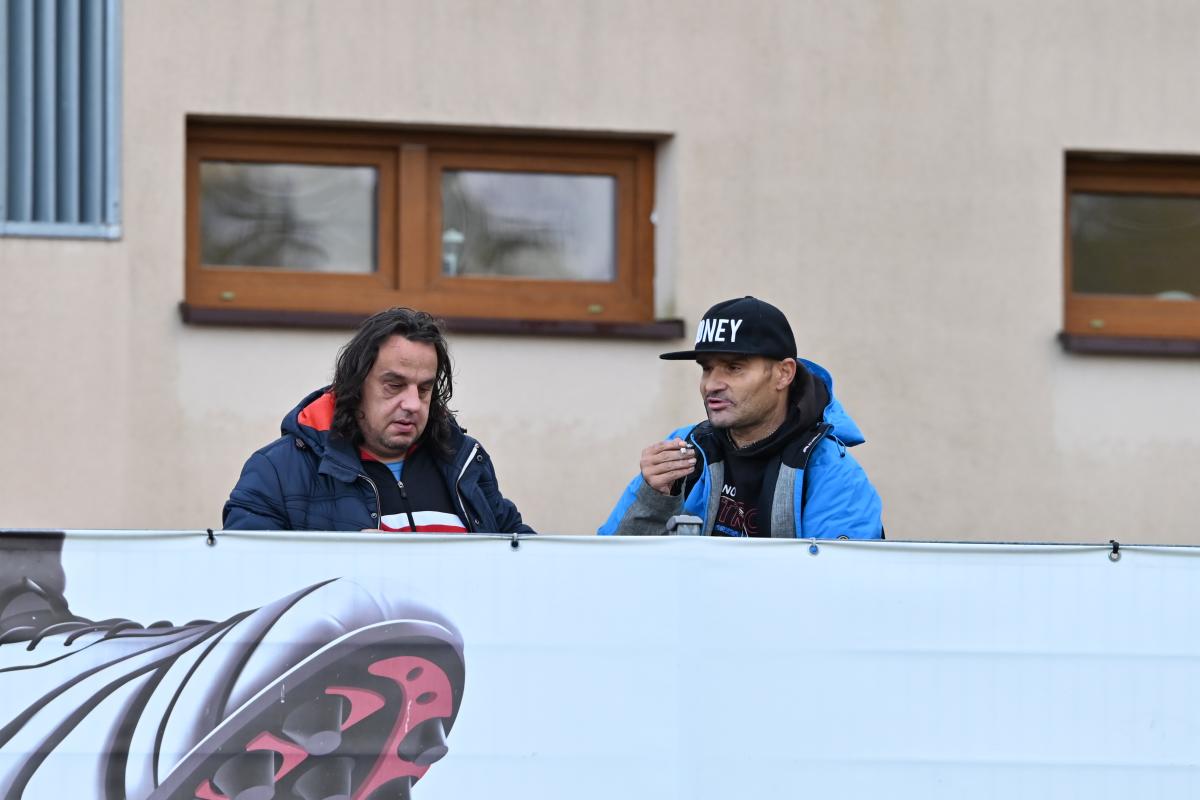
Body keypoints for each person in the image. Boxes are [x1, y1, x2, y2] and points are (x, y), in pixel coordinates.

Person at [224, 307, 532, 533]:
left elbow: (525, 561)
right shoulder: (277, 472)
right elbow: (245, 578)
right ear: (355, 385)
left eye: (424, 389)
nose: (412, 404)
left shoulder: (463, 462)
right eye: (394, 386)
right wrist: (352, 562)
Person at [599, 296, 882, 539]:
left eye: (734, 367)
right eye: (706, 368)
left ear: (784, 373)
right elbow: (612, 563)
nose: (711, 384)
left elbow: (838, 580)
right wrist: (653, 500)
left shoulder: (829, 470)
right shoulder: (686, 447)